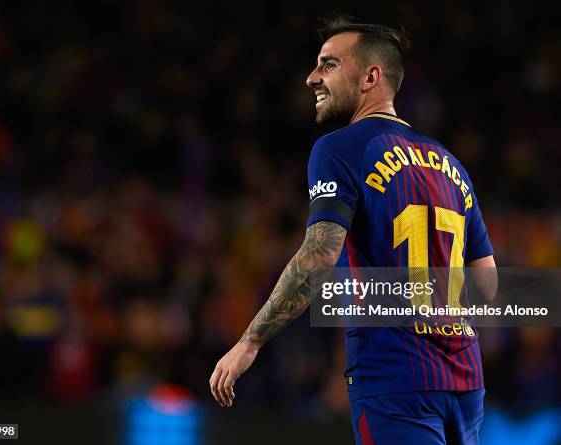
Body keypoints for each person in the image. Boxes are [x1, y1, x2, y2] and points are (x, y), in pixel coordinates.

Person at [210, 15, 497, 445]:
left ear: (371, 76)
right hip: (465, 378)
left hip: (394, 376)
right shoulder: (451, 164)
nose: (311, 78)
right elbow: (487, 284)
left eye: (328, 65)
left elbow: (319, 255)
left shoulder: (339, 149)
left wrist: (250, 342)